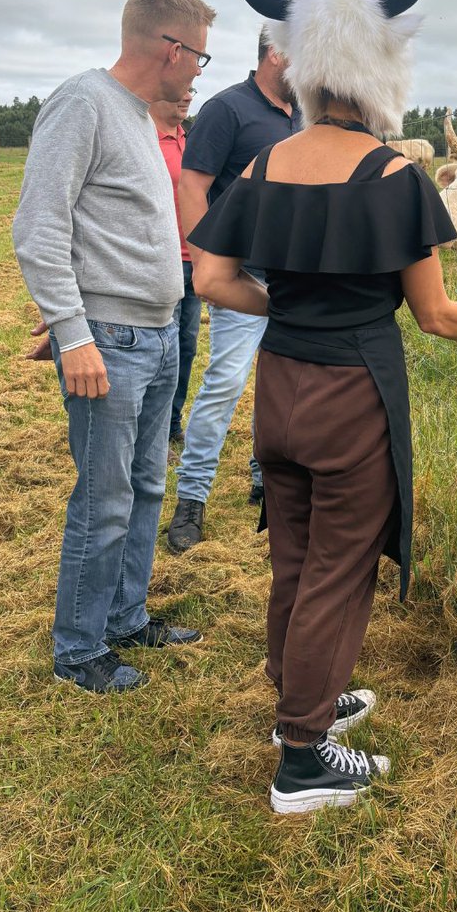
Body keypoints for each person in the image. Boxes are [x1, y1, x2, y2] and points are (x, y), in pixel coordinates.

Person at [188, 0, 457, 814]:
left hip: (278, 390)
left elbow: (209, 279)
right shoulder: (394, 176)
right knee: (340, 569)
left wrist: (286, 313)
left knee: (295, 553)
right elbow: (432, 314)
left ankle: (297, 702)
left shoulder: (263, 164)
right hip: (354, 398)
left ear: (308, 65)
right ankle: (304, 758)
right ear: (384, 65)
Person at [12, 0, 216, 694]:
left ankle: (126, 618)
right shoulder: (83, 104)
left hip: (158, 336)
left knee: (146, 487)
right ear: (170, 47)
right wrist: (74, 336)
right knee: (102, 500)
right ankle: (79, 650)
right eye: (200, 55)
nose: (199, 69)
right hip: (111, 340)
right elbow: (39, 228)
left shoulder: (136, 114)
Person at [165, 32, 303, 553]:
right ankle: (191, 501)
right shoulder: (228, 109)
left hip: (292, 280)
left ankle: (263, 478)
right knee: (224, 383)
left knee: (282, 382)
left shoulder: (303, 117)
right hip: (244, 275)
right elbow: (193, 185)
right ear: (276, 53)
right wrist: (205, 262)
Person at [150, 86, 202, 458]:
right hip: (161, 262)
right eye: (179, 91)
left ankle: (171, 425)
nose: (186, 97)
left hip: (193, 261)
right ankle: (153, 430)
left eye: (191, 91)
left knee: (186, 346)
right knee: (160, 352)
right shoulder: (146, 139)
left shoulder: (191, 139)